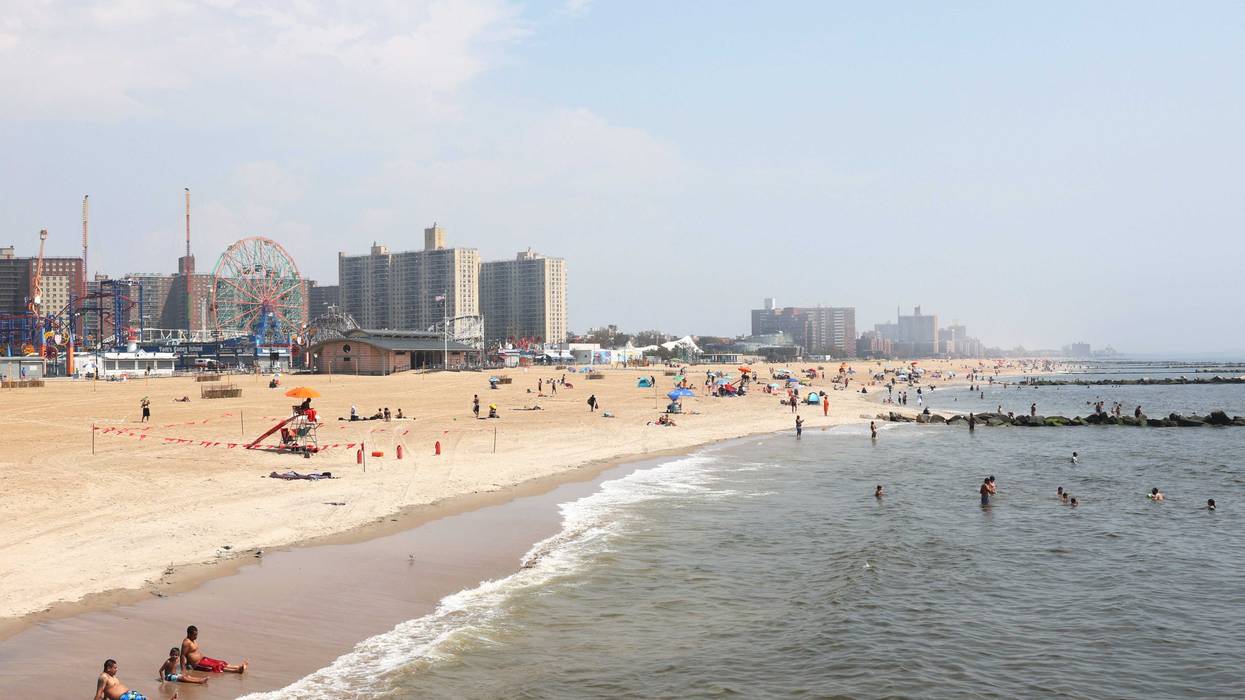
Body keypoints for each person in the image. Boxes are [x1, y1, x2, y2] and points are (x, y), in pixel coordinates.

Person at [181, 625, 246, 674]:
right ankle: (236, 671)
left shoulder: (193, 640)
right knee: (215, 667)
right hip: (197, 664)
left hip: (203, 659)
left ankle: (238, 667)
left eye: (196, 635)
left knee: (220, 663)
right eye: (194, 635)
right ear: (189, 634)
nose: (196, 637)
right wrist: (183, 669)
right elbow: (182, 655)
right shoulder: (186, 642)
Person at [95, 659, 167, 700]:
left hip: (130, 694)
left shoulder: (113, 677)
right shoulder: (104, 677)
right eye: (115, 668)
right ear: (108, 668)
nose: (117, 669)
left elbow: (107, 692)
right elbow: (99, 693)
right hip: (125, 697)